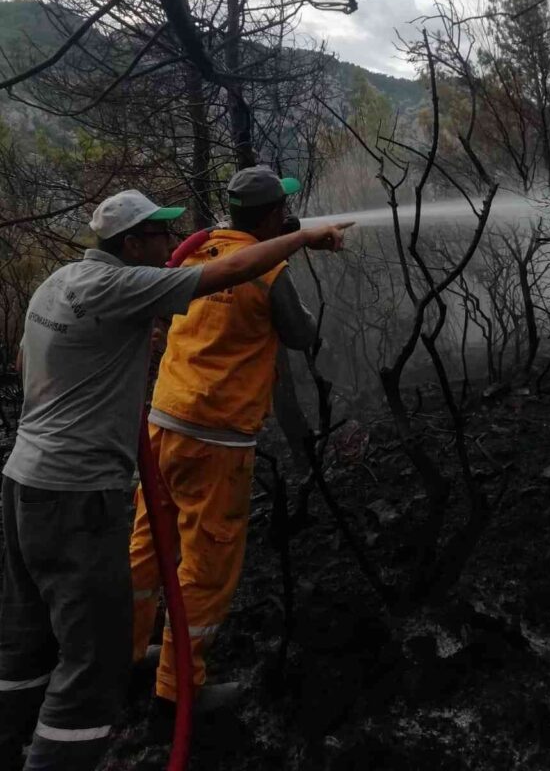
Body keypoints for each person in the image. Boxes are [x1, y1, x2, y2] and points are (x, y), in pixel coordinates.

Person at [0, 187, 349, 771]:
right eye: (159, 233)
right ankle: (158, 696)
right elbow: (235, 272)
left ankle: (13, 738)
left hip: (24, 480)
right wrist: (306, 237)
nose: (170, 241)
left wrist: (120, 350)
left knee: (28, 638)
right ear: (131, 242)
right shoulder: (127, 284)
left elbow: (22, 363)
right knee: (97, 660)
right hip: (86, 492)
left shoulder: (58, 283)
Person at [129, 167, 317, 718]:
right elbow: (303, 336)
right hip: (217, 438)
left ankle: (125, 654)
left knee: (145, 548)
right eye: (280, 212)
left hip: (165, 423)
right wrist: (284, 261)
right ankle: (177, 693)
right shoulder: (271, 270)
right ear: (270, 217)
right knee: (206, 567)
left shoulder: (195, 251)